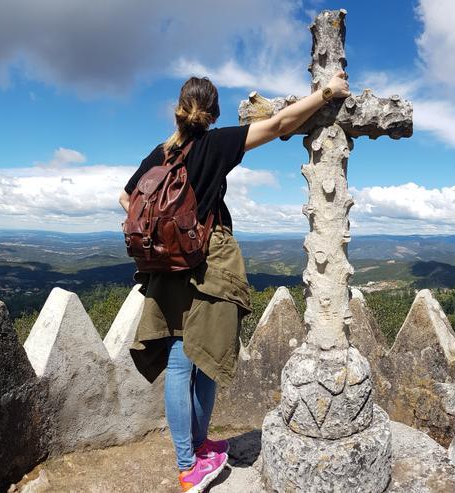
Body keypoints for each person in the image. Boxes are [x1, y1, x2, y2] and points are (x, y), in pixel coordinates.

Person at [119, 72, 350, 493]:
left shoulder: (161, 154)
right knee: (205, 359)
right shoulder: (215, 144)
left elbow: (127, 198)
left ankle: (195, 451)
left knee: (177, 361)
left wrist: (165, 231)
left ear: (179, 107)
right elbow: (280, 124)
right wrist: (327, 93)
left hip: (165, 270)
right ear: (213, 112)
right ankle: (191, 464)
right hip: (207, 264)